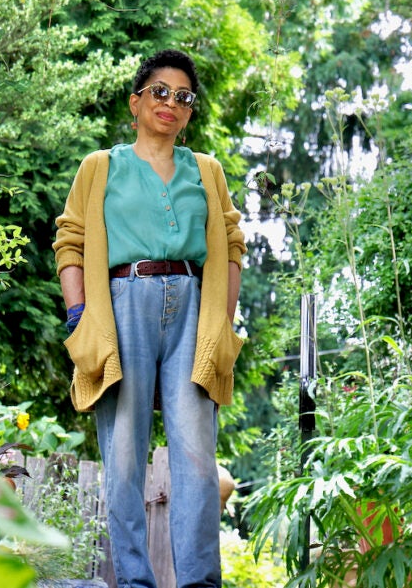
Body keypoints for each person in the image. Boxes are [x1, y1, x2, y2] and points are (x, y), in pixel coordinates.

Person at [53, 49, 245, 588]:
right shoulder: (101, 167)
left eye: (183, 97)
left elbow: (230, 246)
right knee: (124, 453)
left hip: (192, 305)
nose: (170, 103)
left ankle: (199, 583)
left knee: (196, 458)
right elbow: (71, 241)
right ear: (136, 101)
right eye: (159, 91)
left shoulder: (206, 171)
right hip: (120, 305)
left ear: (189, 113)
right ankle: (134, 581)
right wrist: (78, 314)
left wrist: (222, 322)